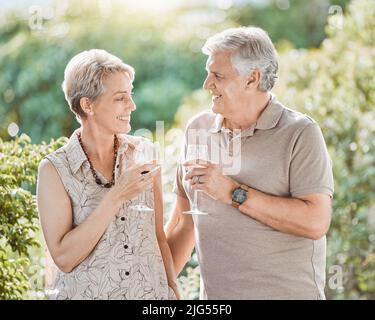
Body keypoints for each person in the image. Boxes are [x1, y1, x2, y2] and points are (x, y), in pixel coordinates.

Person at [166, 27, 334, 300]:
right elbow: (183, 224)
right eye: (209, 73)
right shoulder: (198, 129)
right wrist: (151, 284)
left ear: (251, 78)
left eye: (217, 75)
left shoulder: (300, 133)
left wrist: (232, 192)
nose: (207, 84)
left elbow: (315, 222)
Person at [37, 49, 179, 300]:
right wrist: (117, 196)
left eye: (130, 96)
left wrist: (174, 292)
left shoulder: (145, 152)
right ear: (87, 105)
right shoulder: (54, 170)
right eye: (120, 98)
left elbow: (158, 237)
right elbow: (64, 258)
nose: (132, 105)